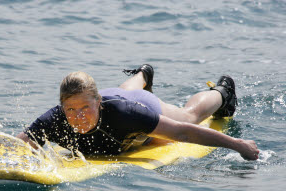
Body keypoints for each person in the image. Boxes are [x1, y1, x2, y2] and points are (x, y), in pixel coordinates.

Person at [17, 64, 259, 160]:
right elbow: (17, 144)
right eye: (70, 109)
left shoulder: (127, 114)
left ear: (97, 102)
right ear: (61, 106)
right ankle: (144, 74)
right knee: (123, 92)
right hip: (117, 96)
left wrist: (238, 145)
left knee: (188, 116)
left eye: (84, 108)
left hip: (135, 102)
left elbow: (183, 133)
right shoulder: (54, 120)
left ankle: (223, 92)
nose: (78, 116)